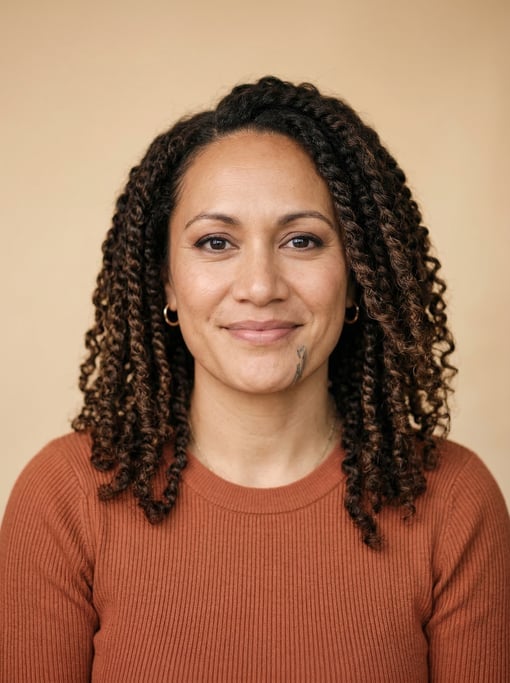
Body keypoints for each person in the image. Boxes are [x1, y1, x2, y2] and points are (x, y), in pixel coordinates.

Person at [1, 76, 509, 683]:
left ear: (355, 276)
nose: (261, 285)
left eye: (303, 240)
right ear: (165, 280)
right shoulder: (64, 498)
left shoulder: (455, 500)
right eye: (216, 242)